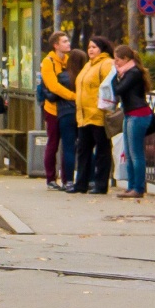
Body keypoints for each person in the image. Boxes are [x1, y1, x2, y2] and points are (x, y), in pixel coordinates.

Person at [73, 36, 114, 194]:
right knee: (83, 150)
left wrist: (104, 107)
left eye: (94, 47)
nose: (91, 50)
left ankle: (101, 184)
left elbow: (108, 87)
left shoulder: (106, 64)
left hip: (98, 115)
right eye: (89, 47)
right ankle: (81, 183)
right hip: (84, 116)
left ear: (102, 49)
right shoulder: (88, 65)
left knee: (102, 151)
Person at [112, 45, 153, 199]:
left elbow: (118, 89)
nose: (116, 63)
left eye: (118, 60)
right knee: (128, 152)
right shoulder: (127, 72)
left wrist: (114, 76)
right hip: (130, 114)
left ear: (126, 59)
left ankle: (138, 187)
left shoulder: (133, 73)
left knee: (136, 153)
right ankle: (131, 186)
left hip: (138, 114)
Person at [40, 32, 76, 190]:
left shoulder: (68, 61)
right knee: (53, 142)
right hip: (53, 109)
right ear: (56, 45)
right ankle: (50, 178)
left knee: (68, 144)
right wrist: (72, 96)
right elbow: (53, 86)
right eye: (64, 41)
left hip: (67, 109)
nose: (68, 44)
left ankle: (67, 178)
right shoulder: (48, 62)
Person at [57, 49, 86, 192]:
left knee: (68, 147)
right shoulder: (85, 76)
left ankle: (68, 180)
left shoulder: (62, 77)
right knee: (85, 147)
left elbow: (51, 95)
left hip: (65, 113)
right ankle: (88, 179)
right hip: (82, 113)